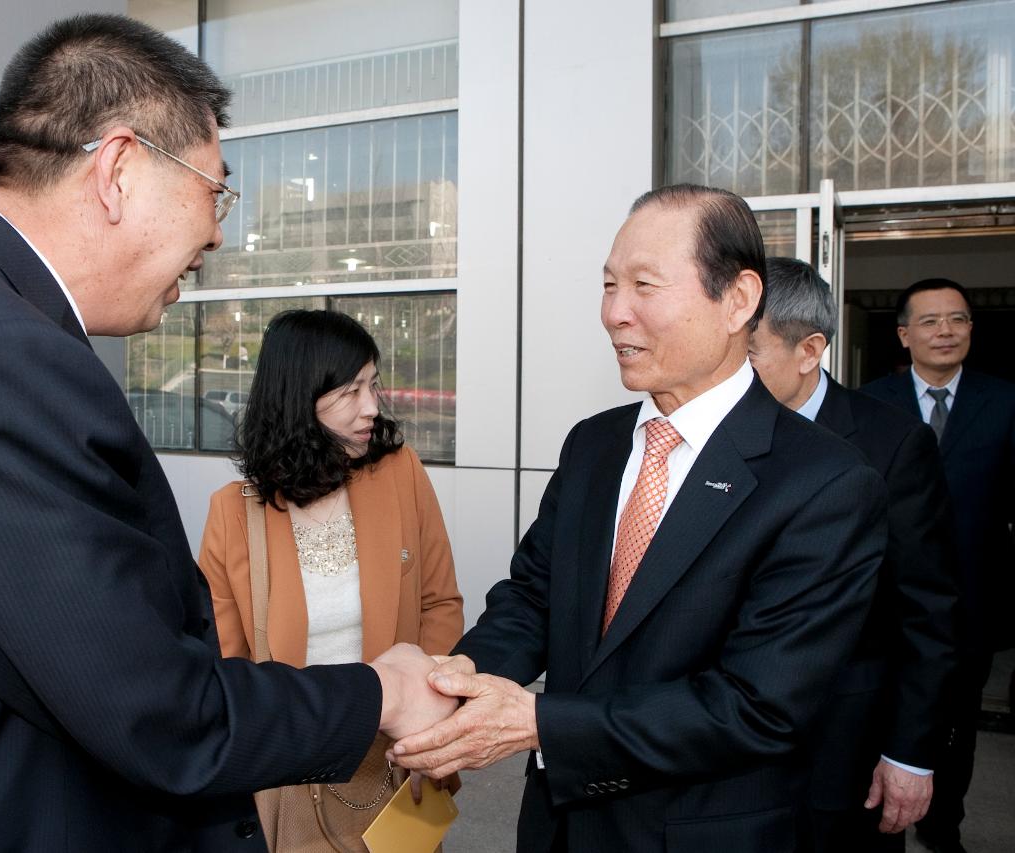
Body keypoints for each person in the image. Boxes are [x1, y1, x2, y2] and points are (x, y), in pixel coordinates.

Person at [0, 15, 454, 852]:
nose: (219, 233)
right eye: (215, 190)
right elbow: (152, 708)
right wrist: (381, 693)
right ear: (118, 170)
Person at [389, 184, 888, 851]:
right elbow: (536, 597)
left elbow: (758, 706)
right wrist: (449, 685)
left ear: (738, 299)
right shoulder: (594, 445)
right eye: (607, 285)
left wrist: (540, 723)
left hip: (697, 830)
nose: (615, 313)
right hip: (558, 823)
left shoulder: (824, 483)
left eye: (645, 285)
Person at [198, 308, 464, 850]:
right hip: (291, 770)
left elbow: (441, 603)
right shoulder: (233, 513)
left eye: (373, 385)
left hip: (400, 762)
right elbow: (225, 666)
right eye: (349, 391)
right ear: (299, 395)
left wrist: (432, 728)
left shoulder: (399, 473)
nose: (371, 407)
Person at [747, 257, 959, 852]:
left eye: (750, 353)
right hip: (724, 738)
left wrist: (911, 754)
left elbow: (928, 609)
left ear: (809, 350)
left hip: (842, 742)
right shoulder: (713, 433)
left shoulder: (891, 444)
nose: (728, 372)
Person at [860, 278, 1015, 853]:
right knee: (883, 713)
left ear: (972, 329)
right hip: (890, 603)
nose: (945, 331)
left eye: (958, 319)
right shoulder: (870, 403)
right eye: (929, 321)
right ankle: (882, 817)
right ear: (903, 335)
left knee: (957, 727)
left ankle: (943, 823)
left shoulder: (1004, 402)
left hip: (973, 601)